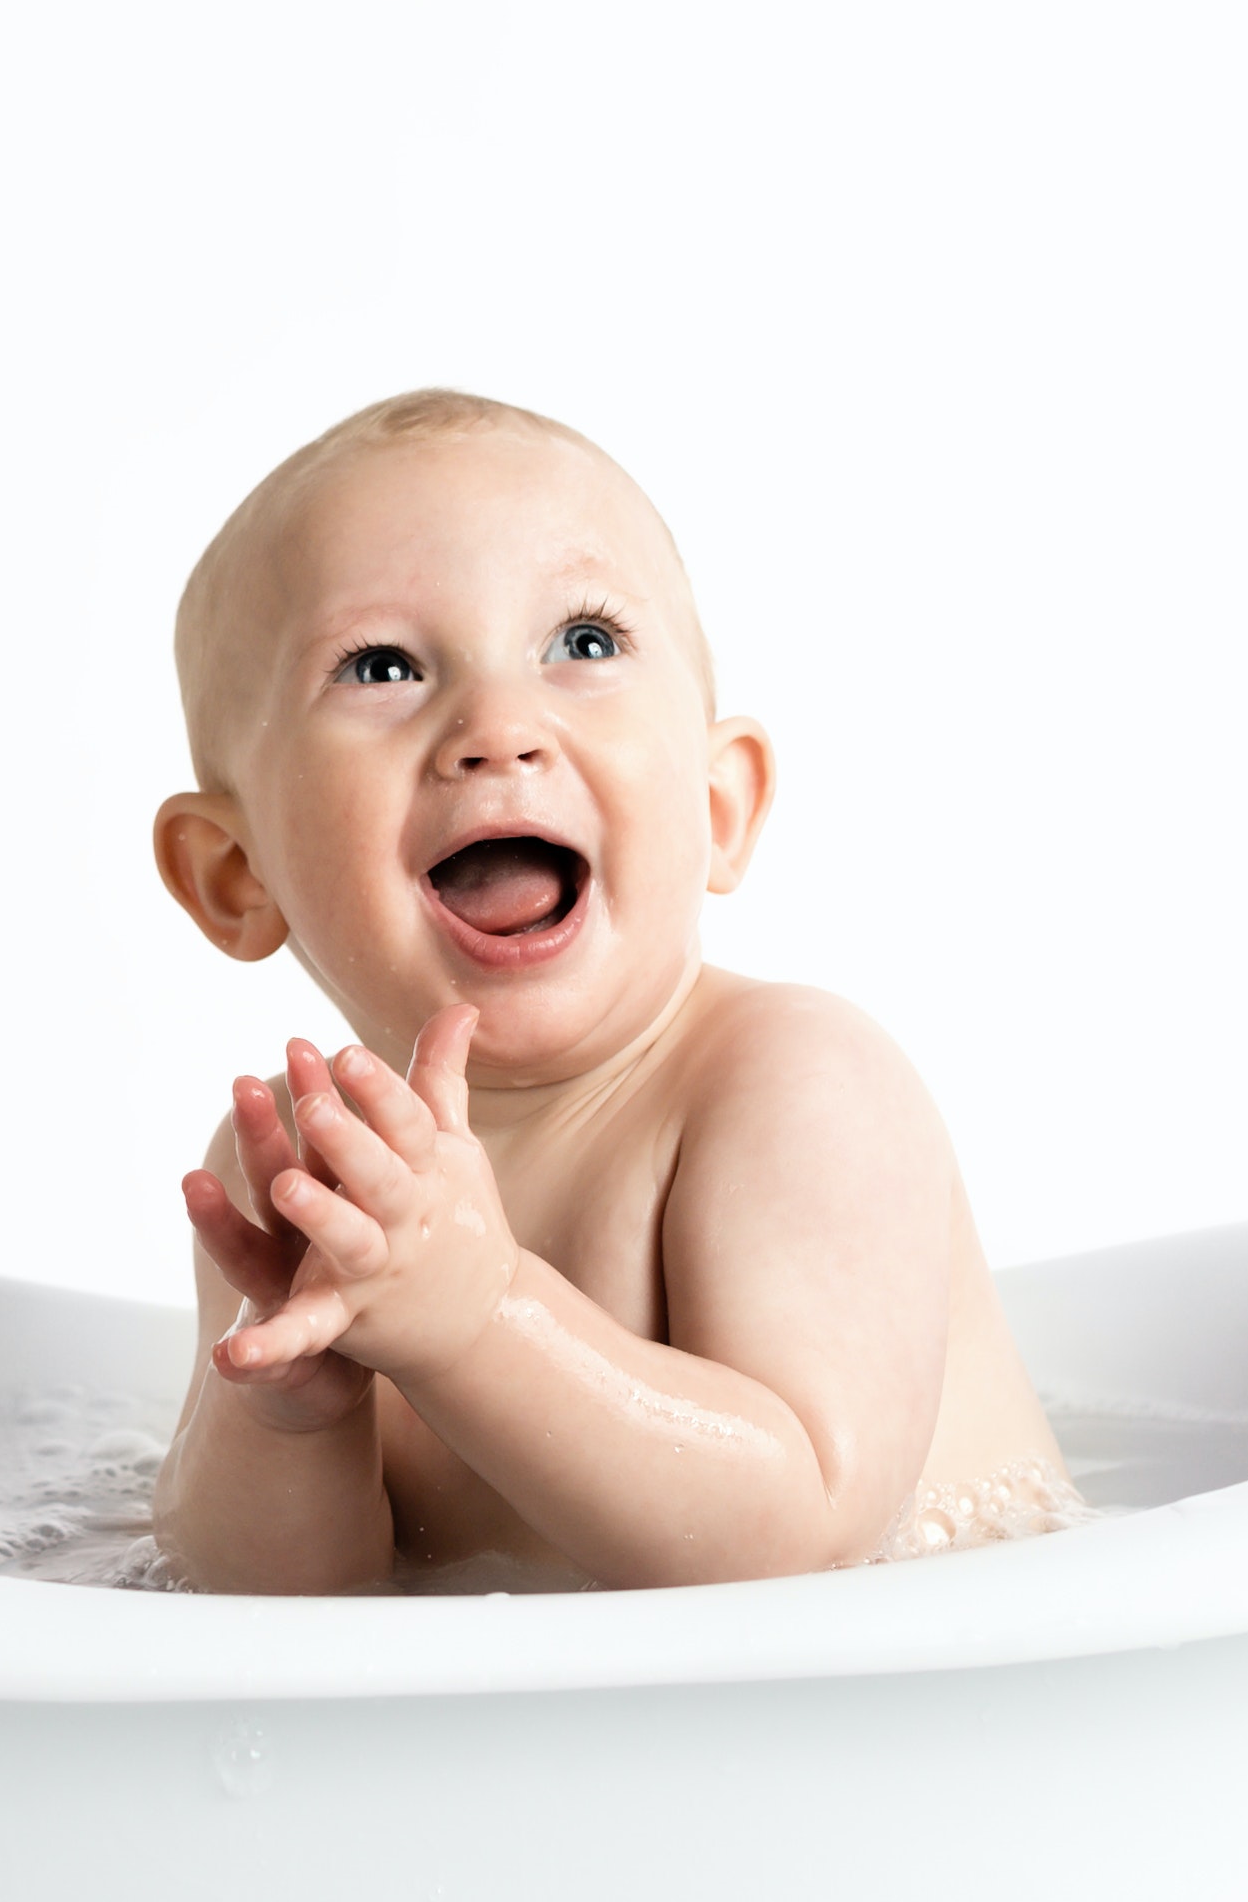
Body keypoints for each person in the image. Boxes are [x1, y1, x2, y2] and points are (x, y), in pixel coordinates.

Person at [150, 389, 1079, 1593]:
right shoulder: (294, 1165)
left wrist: (480, 1316)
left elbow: (809, 1537)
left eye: (582, 643)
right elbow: (265, 1607)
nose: (497, 727)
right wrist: (286, 1419)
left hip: (919, 1720)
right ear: (236, 876)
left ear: (717, 806)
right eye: (382, 667)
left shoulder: (791, 1084)